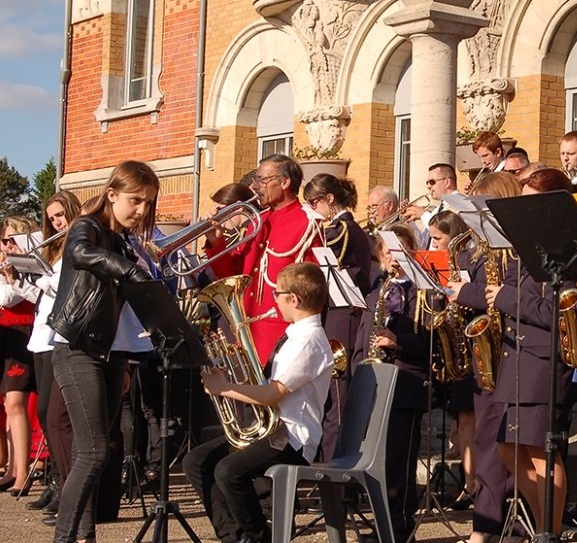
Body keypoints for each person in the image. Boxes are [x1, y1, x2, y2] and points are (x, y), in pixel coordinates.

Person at [46, 160, 159, 543]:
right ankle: (65, 537)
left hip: (110, 353)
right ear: (112, 194)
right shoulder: (87, 226)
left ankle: (85, 534)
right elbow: (78, 254)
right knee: (93, 452)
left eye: (148, 203)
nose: (141, 210)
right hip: (76, 348)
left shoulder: (122, 241)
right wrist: (130, 270)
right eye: (135, 200)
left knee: (96, 451)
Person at [183, 262, 334, 543]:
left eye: (277, 293)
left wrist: (225, 388)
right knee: (196, 461)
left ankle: (259, 537)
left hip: (291, 439)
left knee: (228, 472)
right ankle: (235, 536)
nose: (273, 298)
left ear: (294, 300)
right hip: (272, 431)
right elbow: (267, 388)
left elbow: (271, 395)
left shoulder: (308, 342)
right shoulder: (296, 336)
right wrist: (230, 379)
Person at [490, 168, 577, 534]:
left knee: (543, 451)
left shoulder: (570, 246)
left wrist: (506, 298)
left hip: (543, 359)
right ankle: (542, 523)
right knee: (508, 450)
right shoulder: (528, 246)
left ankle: (549, 531)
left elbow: (557, 311)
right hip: (516, 356)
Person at [449, 171, 520, 543]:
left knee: (496, 444)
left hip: (507, 349)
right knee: (485, 440)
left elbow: (501, 294)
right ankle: (488, 522)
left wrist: (464, 292)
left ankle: (492, 525)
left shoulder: (510, 248)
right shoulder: (477, 247)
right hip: (485, 352)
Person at [206, 154, 324, 365]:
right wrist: (216, 243)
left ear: (285, 182)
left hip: (280, 336)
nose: (255, 185)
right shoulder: (258, 221)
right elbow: (233, 276)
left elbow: (309, 293)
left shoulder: (307, 224)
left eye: (262, 179)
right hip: (245, 333)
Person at [5, 192, 82, 511]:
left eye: (61, 215)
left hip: (60, 337)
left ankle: (65, 485)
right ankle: (55, 481)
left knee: (55, 415)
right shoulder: (52, 246)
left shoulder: (77, 245)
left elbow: (65, 286)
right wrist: (17, 276)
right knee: (45, 415)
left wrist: (37, 271)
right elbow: (38, 294)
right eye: (51, 218)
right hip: (41, 335)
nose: (57, 222)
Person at [355, 223, 430, 542]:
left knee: (399, 461)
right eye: (386, 251)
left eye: (398, 251)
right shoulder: (377, 289)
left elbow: (430, 342)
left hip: (406, 382)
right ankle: (383, 523)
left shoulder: (421, 291)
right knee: (378, 460)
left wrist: (397, 340)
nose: (392, 258)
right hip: (376, 382)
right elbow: (363, 332)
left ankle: (399, 526)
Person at [303, 173, 373, 461]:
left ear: (329, 199)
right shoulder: (336, 227)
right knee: (329, 398)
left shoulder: (342, 229)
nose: (311, 207)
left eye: (314, 201)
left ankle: (336, 474)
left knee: (337, 399)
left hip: (343, 317)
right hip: (334, 315)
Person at [427, 210, 477, 507]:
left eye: (438, 239)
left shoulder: (466, 262)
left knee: (470, 419)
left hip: (471, 347)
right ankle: (470, 480)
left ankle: (475, 482)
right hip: (454, 350)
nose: (433, 246)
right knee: (463, 420)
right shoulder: (440, 263)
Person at [0, 215, 40, 495]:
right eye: (3, 241)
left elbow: (8, 298)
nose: (5, 245)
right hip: (6, 336)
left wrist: (9, 276)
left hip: (23, 332)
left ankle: (23, 473)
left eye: (10, 240)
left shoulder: (30, 264)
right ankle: (13, 467)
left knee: (16, 403)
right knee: (8, 405)